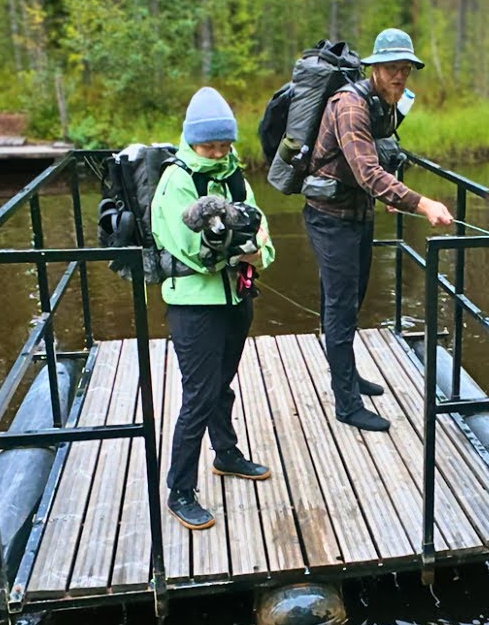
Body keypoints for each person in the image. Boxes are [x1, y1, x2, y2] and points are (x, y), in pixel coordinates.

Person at [302, 28, 454, 432]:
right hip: (330, 217)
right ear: (374, 68)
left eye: (405, 69)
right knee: (339, 306)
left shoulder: (382, 102)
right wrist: (422, 203)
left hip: (358, 214)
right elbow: (367, 172)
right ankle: (346, 403)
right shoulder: (350, 106)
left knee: (353, 300)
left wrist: (388, 192)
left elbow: (376, 159)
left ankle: (348, 376)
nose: (399, 76)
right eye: (391, 68)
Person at [152, 86, 276, 530]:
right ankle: (179, 489)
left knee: (221, 386)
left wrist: (258, 253)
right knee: (199, 396)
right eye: (209, 145)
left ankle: (226, 455)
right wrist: (235, 250)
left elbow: (263, 234)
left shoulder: (234, 174)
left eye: (225, 144)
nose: (218, 151)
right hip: (194, 309)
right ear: (191, 140)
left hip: (236, 298)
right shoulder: (175, 182)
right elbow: (190, 252)